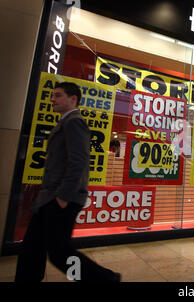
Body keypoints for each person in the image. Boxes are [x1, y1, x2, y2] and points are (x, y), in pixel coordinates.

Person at [15, 82, 120, 282]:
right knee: (33, 248)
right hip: (50, 198)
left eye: (58, 95)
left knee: (59, 253)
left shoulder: (74, 122)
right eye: (53, 95)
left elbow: (79, 161)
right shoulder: (66, 122)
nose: (52, 99)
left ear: (73, 99)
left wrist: (63, 197)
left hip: (60, 198)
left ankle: (105, 280)